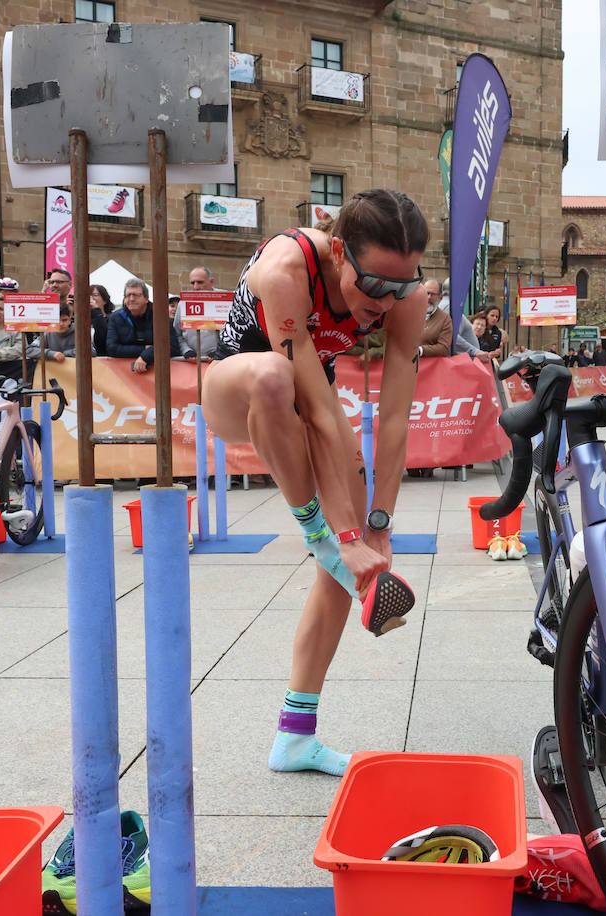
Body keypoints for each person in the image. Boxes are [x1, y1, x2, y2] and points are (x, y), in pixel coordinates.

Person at [205, 188, 426, 777]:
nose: (386, 301)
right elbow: (323, 415)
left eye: (401, 288)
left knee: (350, 571)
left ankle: (295, 736)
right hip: (239, 389)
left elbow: (397, 416)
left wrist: (375, 526)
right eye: (374, 285)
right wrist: (333, 531)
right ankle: (317, 537)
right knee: (277, 379)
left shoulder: (405, 293)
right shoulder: (286, 269)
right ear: (336, 252)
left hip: (311, 399)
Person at [106, 278, 181, 372]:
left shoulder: (160, 315)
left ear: (146, 298)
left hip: (159, 374)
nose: (131, 299)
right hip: (123, 376)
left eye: (136, 295)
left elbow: (172, 346)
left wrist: (146, 356)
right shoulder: (115, 318)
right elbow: (112, 348)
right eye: (128, 295)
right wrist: (144, 349)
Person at [418, 278, 453, 358]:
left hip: (430, 367)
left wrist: (421, 350)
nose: (429, 297)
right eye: (427, 293)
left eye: (433, 294)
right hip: (407, 365)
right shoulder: (410, 313)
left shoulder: (445, 319)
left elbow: (444, 348)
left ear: (439, 297)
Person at [87, 284, 114, 357]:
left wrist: (96, 310)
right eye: (87, 295)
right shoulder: (82, 321)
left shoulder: (113, 319)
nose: (91, 298)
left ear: (105, 300)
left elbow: (103, 339)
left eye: (95, 295)